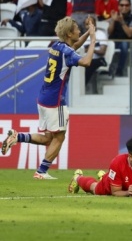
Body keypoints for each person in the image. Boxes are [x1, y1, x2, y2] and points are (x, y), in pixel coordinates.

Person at [1, 17, 97, 178]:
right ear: (68, 33)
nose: (79, 31)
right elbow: (86, 62)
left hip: (44, 98)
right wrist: (93, 40)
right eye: (77, 29)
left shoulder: (57, 46)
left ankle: (17, 137)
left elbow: (74, 46)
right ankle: (41, 171)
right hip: (56, 101)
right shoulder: (67, 52)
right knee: (59, 137)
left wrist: (89, 31)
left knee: (48, 138)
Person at [68, 136, 132, 197]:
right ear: (130, 157)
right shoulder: (117, 163)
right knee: (94, 188)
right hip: (110, 187)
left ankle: (107, 176)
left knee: (113, 177)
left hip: (123, 183)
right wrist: (128, 192)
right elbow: (115, 192)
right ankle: (77, 178)